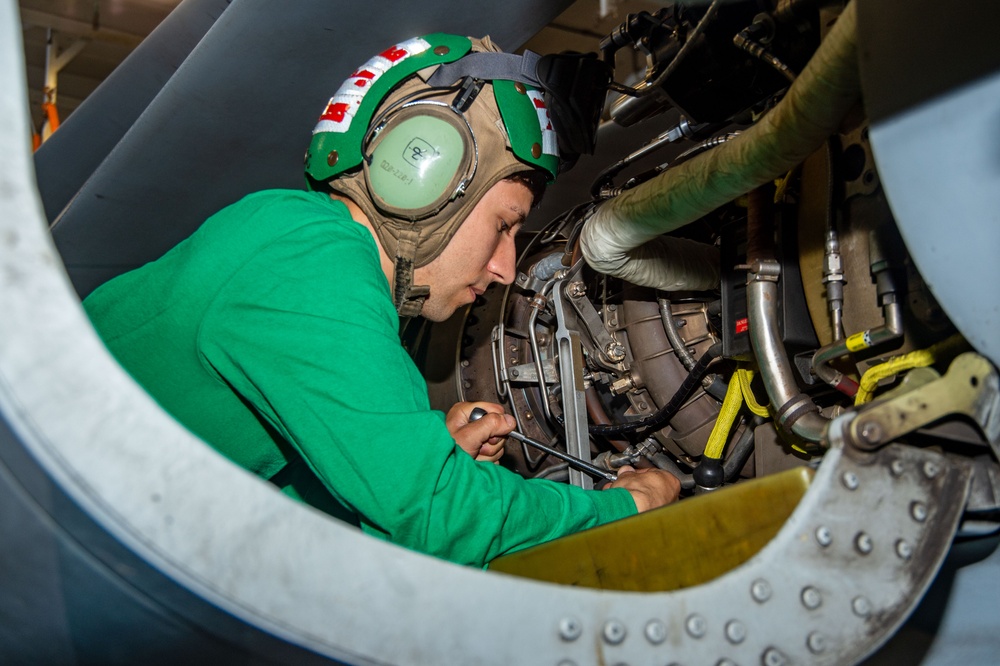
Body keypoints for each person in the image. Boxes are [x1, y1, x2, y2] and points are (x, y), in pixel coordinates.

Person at [83, 33, 680, 568]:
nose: (504, 268)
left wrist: (420, 452)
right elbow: (433, 518)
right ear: (431, 181)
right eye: (503, 225)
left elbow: (281, 503)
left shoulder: (296, 243)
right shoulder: (310, 261)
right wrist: (623, 506)